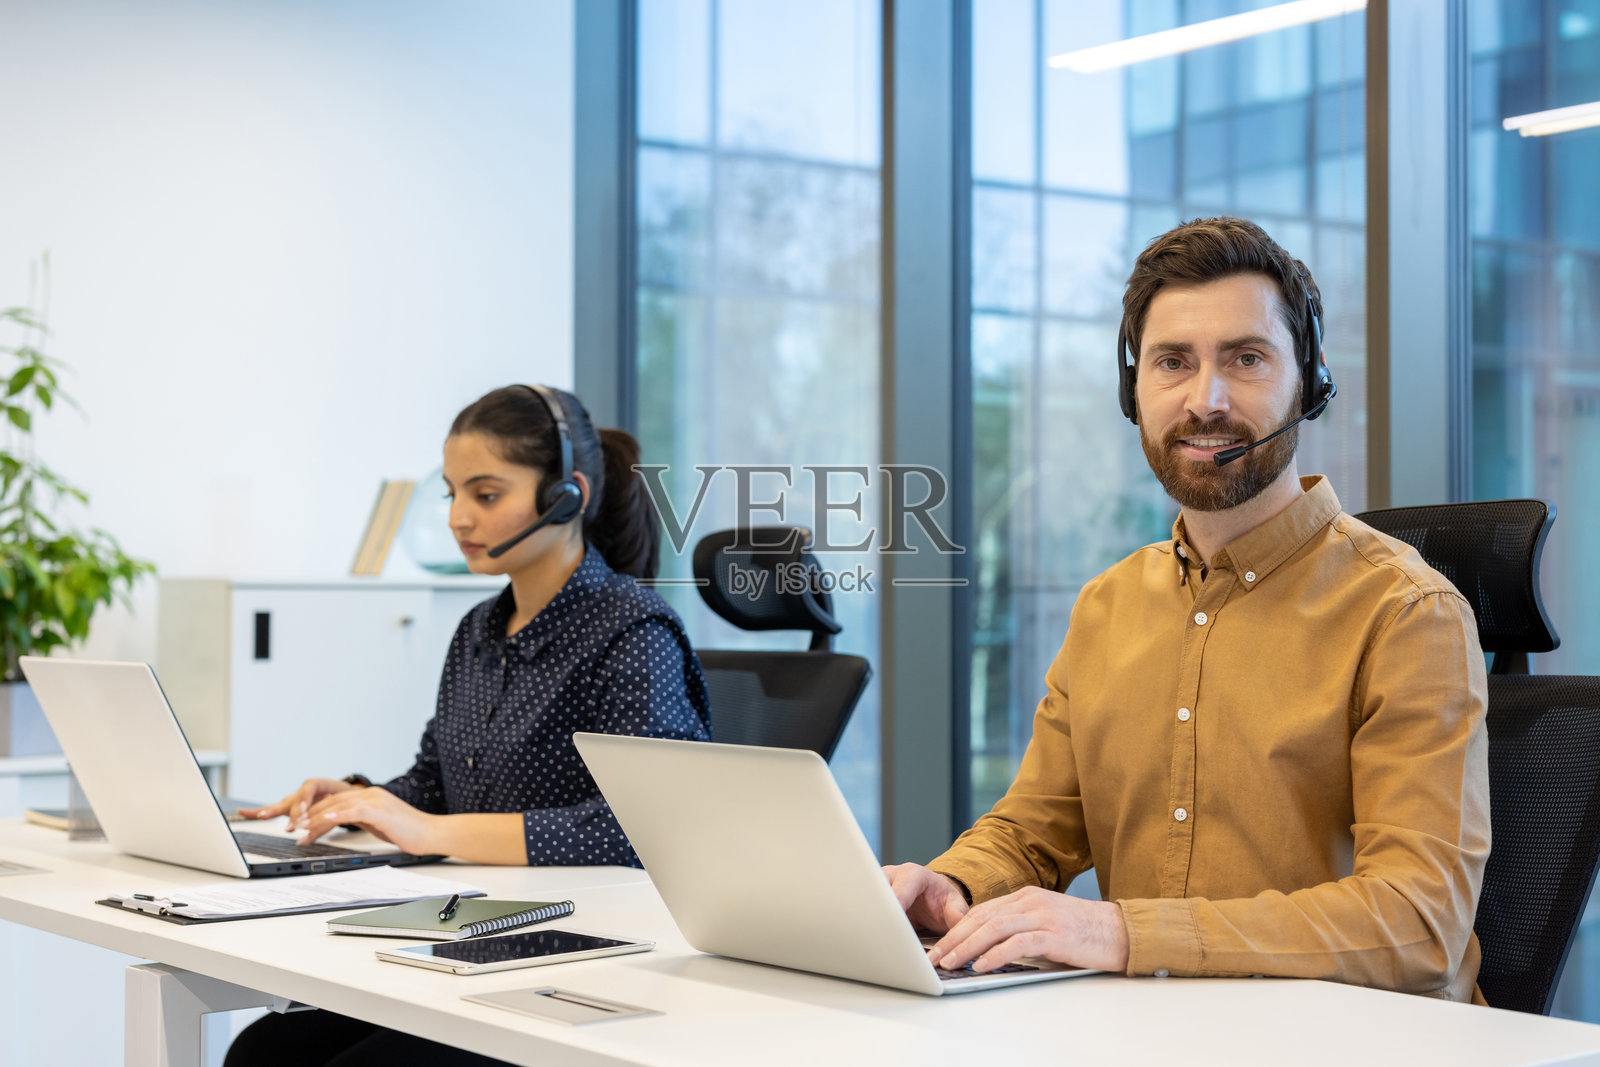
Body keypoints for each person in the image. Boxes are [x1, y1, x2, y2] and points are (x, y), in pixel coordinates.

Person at [886, 216, 1491, 1003]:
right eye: (1173, 362)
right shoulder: (1108, 606)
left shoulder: (1407, 613)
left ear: (1307, 382)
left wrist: (1127, 933)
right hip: (1156, 1034)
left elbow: (1421, 919)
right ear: (1133, 393)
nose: (1206, 400)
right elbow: (1032, 830)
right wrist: (945, 883)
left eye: (1246, 358)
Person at [225, 384, 711, 1066]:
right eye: (452, 492)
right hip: (476, 929)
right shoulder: (479, 628)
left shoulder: (631, 629)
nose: (458, 517)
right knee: (264, 1052)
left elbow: (641, 828)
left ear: (564, 496)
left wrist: (432, 831)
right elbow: (439, 777)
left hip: (586, 957)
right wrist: (363, 799)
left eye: (485, 495)